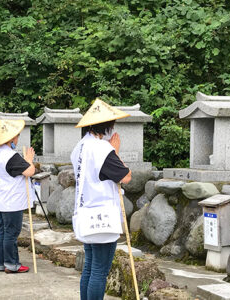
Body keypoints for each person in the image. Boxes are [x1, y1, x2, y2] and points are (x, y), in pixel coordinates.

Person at [71, 99, 132, 300]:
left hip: (85, 212)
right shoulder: (102, 149)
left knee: (89, 266)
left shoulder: (79, 147)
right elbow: (126, 176)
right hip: (102, 215)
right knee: (99, 270)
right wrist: (114, 150)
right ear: (108, 126)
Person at [0, 119, 36, 273]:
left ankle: (2, 263)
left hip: (3, 200)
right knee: (11, 233)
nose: (17, 139)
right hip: (12, 201)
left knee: (3, 232)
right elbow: (30, 171)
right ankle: (12, 264)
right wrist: (29, 160)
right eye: (16, 136)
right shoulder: (10, 155)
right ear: (10, 139)